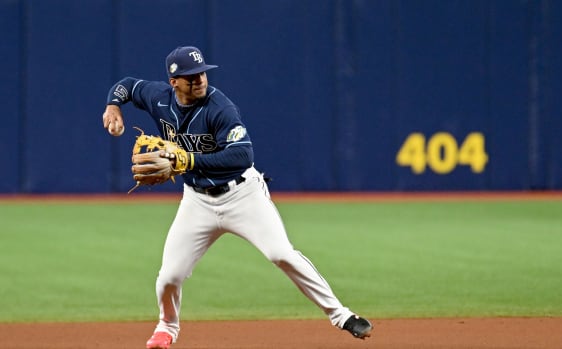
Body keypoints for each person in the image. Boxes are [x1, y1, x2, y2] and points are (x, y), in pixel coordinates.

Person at [101, 46, 373, 349]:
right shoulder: (158, 97)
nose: (200, 79)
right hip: (197, 201)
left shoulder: (220, 107)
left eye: (202, 72)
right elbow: (126, 85)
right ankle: (167, 326)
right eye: (191, 76)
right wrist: (114, 105)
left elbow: (243, 155)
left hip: (243, 195)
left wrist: (187, 161)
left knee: (280, 254)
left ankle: (341, 315)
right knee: (169, 276)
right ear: (174, 81)